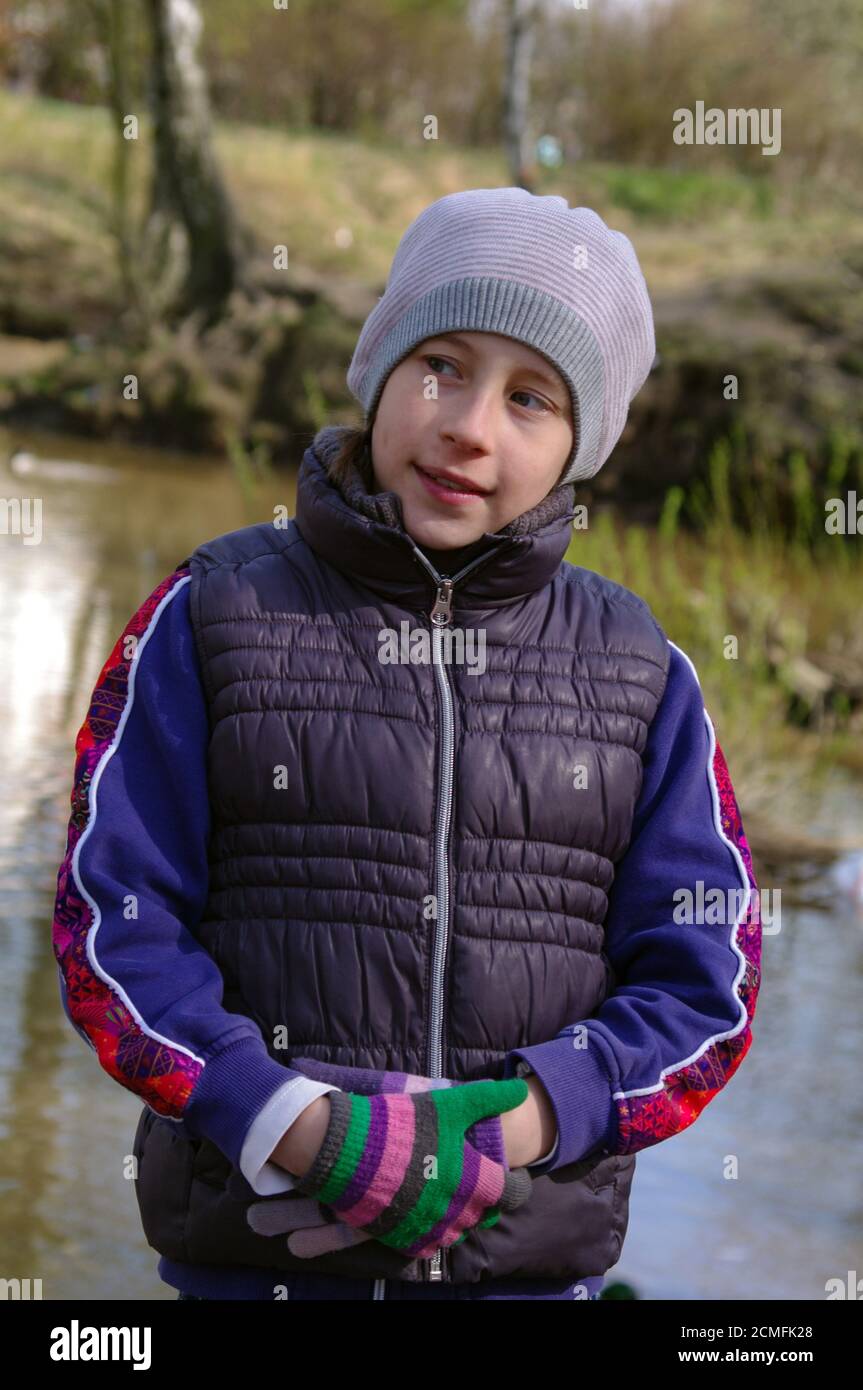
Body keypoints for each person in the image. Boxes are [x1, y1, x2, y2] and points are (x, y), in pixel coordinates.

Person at [51, 187, 762, 1302]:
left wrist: (523, 1123)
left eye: (531, 397)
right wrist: (298, 1126)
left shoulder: (640, 670)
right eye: (441, 363)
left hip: (519, 1273)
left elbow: (705, 985)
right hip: (257, 1266)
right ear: (378, 366)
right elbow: (111, 927)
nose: (469, 425)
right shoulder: (211, 613)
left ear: (584, 446)